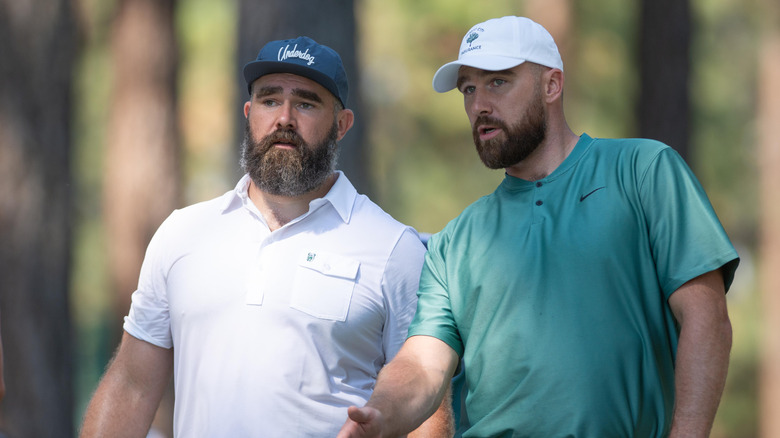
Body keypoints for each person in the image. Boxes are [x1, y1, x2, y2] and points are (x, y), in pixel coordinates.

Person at [339, 16, 739, 438]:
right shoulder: (456, 240)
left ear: (551, 85)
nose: (479, 106)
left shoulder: (644, 171)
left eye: (497, 82)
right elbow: (423, 364)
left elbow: (706, 317)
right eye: (468, 89)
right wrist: (382, 414)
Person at [80, 36, 451, 437]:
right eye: (269, 100)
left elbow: (427, 409)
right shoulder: (183, 234)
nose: (284, 119)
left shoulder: (394, 249)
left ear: (342, 125)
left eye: (306, 103)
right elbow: (132, 385)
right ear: (248, 113)